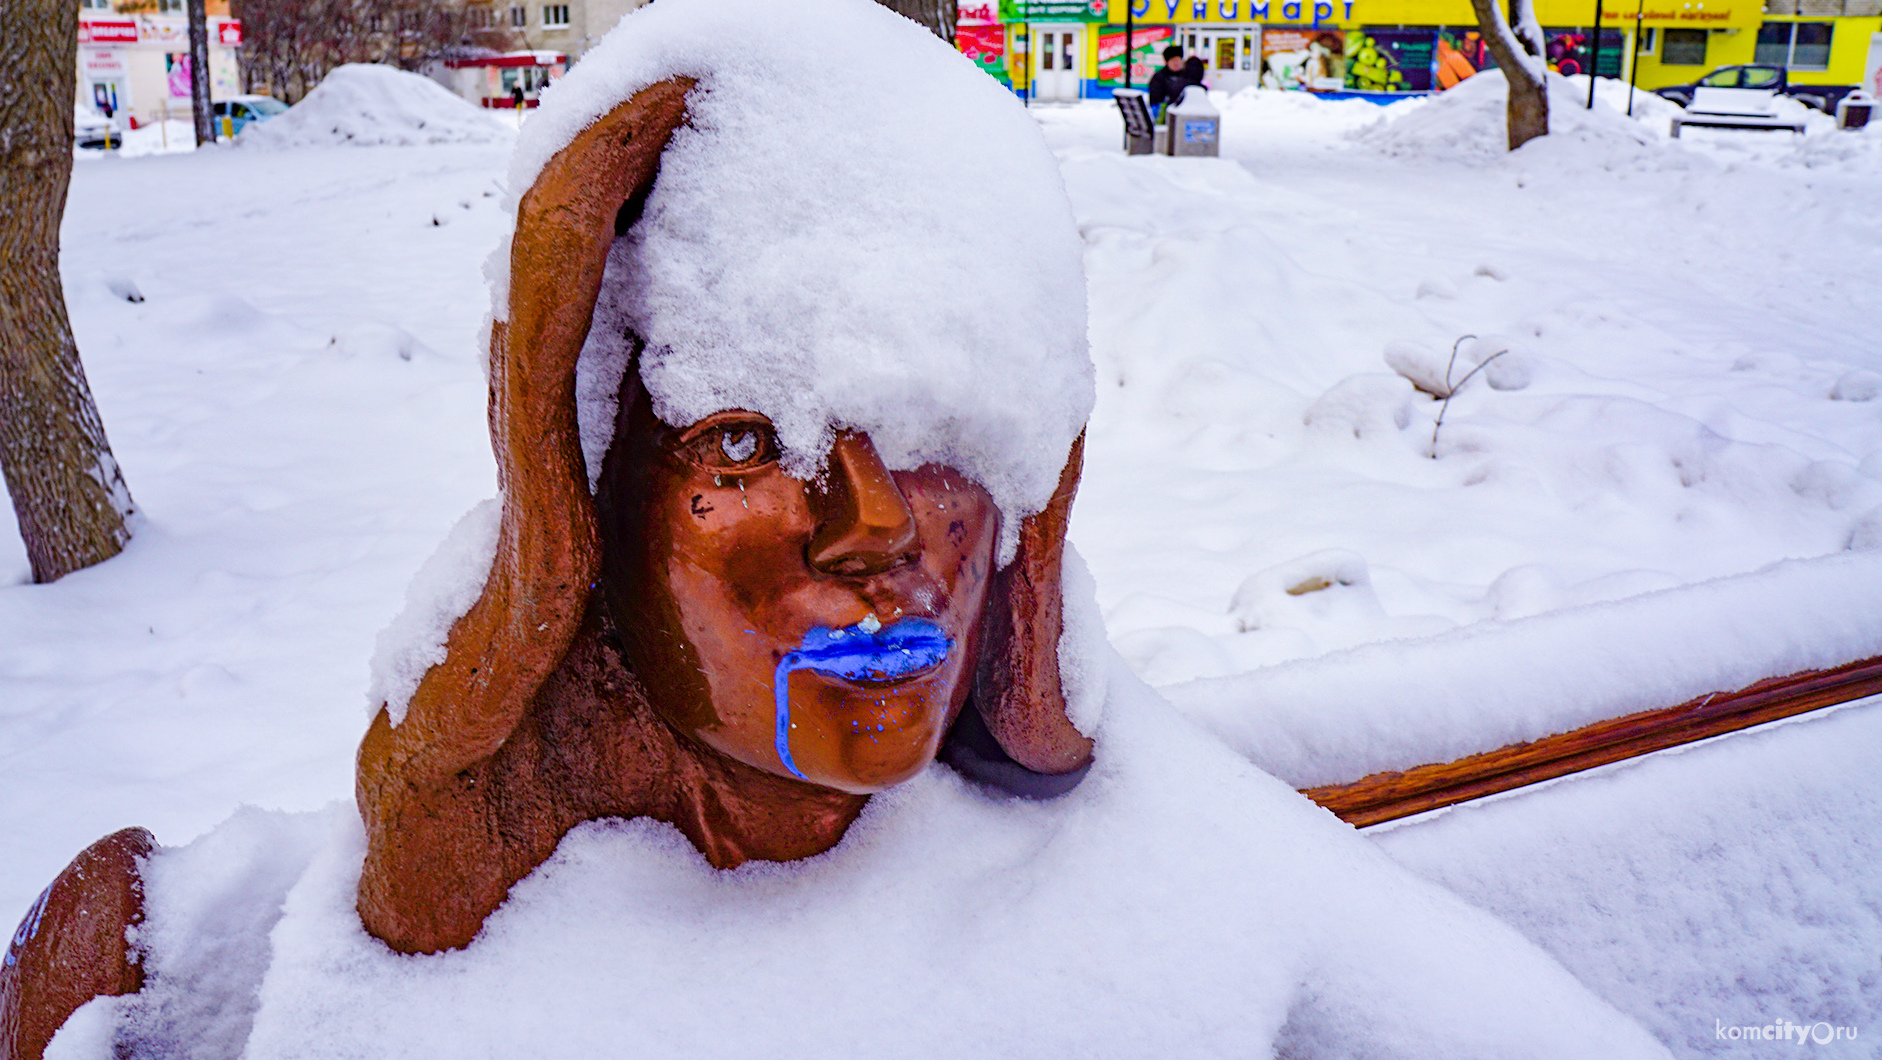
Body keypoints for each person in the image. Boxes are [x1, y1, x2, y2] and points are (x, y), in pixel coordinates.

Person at [1, 1, 1677, 1056]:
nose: (875, 531)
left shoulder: (1132, 845)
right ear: (584, 489)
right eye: (748, 439)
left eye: (939, 432)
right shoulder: (301, 936)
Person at [1145, 45, 1188, 110]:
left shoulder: (1187, 76)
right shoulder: (1159, 77)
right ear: (1167, 62)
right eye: (1173, 60)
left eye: (1178, 60)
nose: (1176, 63)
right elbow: (1155, 100)